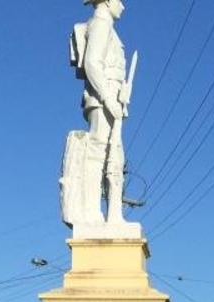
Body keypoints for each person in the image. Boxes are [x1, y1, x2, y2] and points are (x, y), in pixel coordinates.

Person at [63, 0, 133, 227]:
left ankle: (112, 215)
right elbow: (93, 63)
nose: (123, 6)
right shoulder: (101, 24)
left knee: (113, 153)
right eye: (120, 0)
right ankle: (92, 213)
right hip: (103, 99)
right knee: (100, 151)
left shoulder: (106, 26)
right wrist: (107, 98)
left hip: (111, 98)